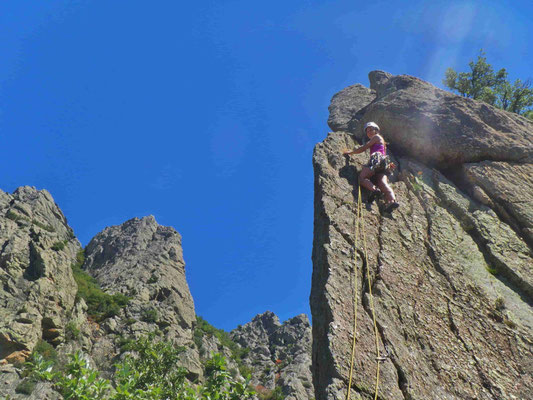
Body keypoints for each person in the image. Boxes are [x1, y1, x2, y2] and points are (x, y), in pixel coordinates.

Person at [343, 121, 400, 213]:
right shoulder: (382, 142)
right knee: (382, 183)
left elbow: (364, 147)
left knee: (362, 178)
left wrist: (350, 152)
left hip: (376, 159)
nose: (369, 132)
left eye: (371, 130)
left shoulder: (376, 137)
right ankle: (392, 201)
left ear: (376, 130)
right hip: (383, 163)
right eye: (367, 131)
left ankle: (374, 190)